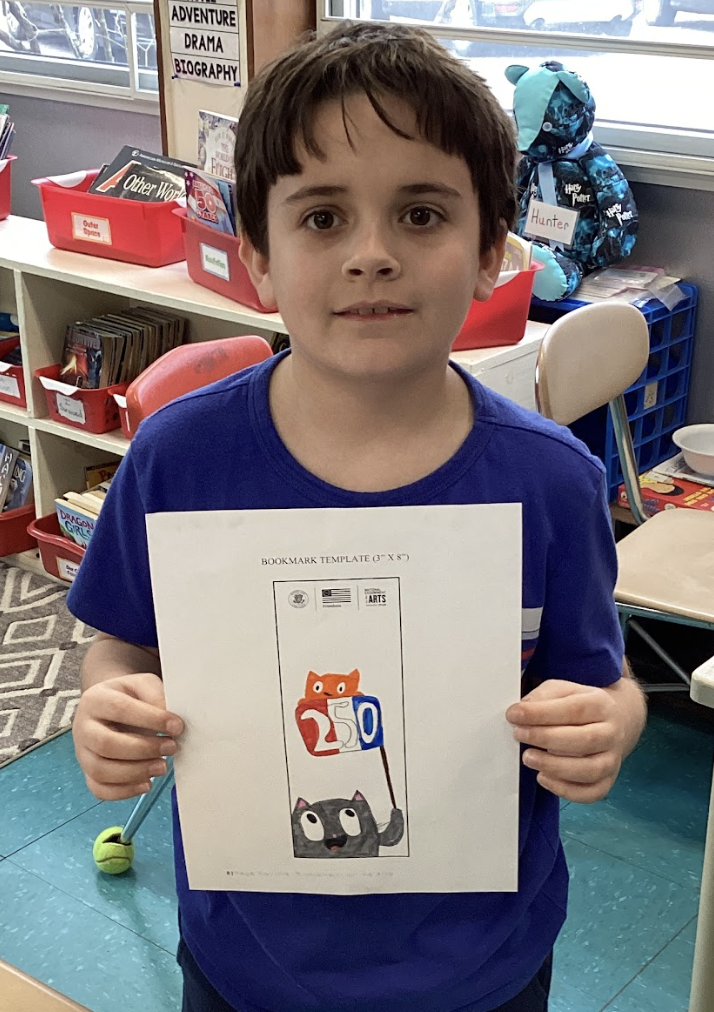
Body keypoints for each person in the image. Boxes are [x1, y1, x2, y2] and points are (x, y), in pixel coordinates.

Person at [68, 20, 647, 1012]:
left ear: (489, 252)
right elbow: (122, 647)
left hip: (479, 967)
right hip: (247, 961)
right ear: (255, 252)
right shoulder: (180, 457)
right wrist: (106, 707)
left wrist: (611, 724)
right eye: (323, 217)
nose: (372, 255)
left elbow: (599, 678)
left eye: (421, 215)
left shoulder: (550, 479)